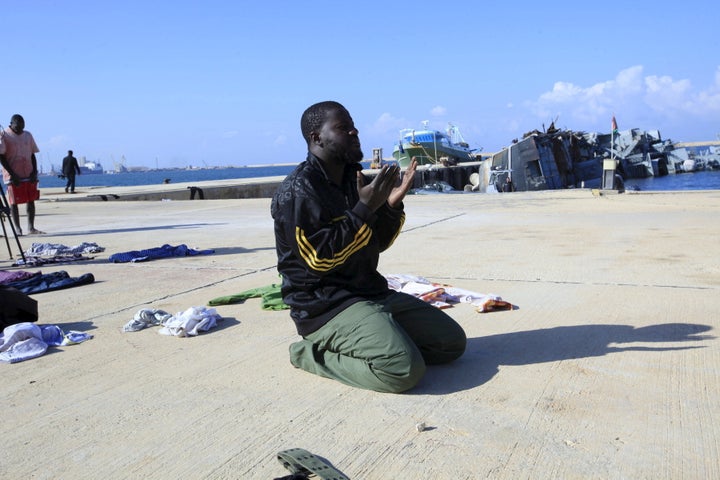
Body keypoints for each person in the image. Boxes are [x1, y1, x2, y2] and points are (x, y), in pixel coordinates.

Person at [271, 101, 466, 393]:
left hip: (369, 293)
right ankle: (310, 354)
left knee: (451, 344)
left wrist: (389, 205)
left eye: (352, 125)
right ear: (316, 138)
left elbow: (376, 243)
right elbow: (318, 260)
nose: (354, 131)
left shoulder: (352, 178)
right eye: (342, 127)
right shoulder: (299, 191)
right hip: (326, 306)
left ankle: (383, 338)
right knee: (403, 370)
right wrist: (364, 208)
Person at [0, 114, 43, 235]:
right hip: (13, 176)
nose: (20, 129)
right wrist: (12, 174)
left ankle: (31, 227)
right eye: (18, 127)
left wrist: (34, 172)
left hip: (28, 173)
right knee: (14, 203)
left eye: (22, 127)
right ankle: (17, 228)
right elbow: (2, 157)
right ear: (11, 124)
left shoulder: (28, 135)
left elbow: (32, 154)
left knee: (31, 201)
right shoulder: (4, 135)